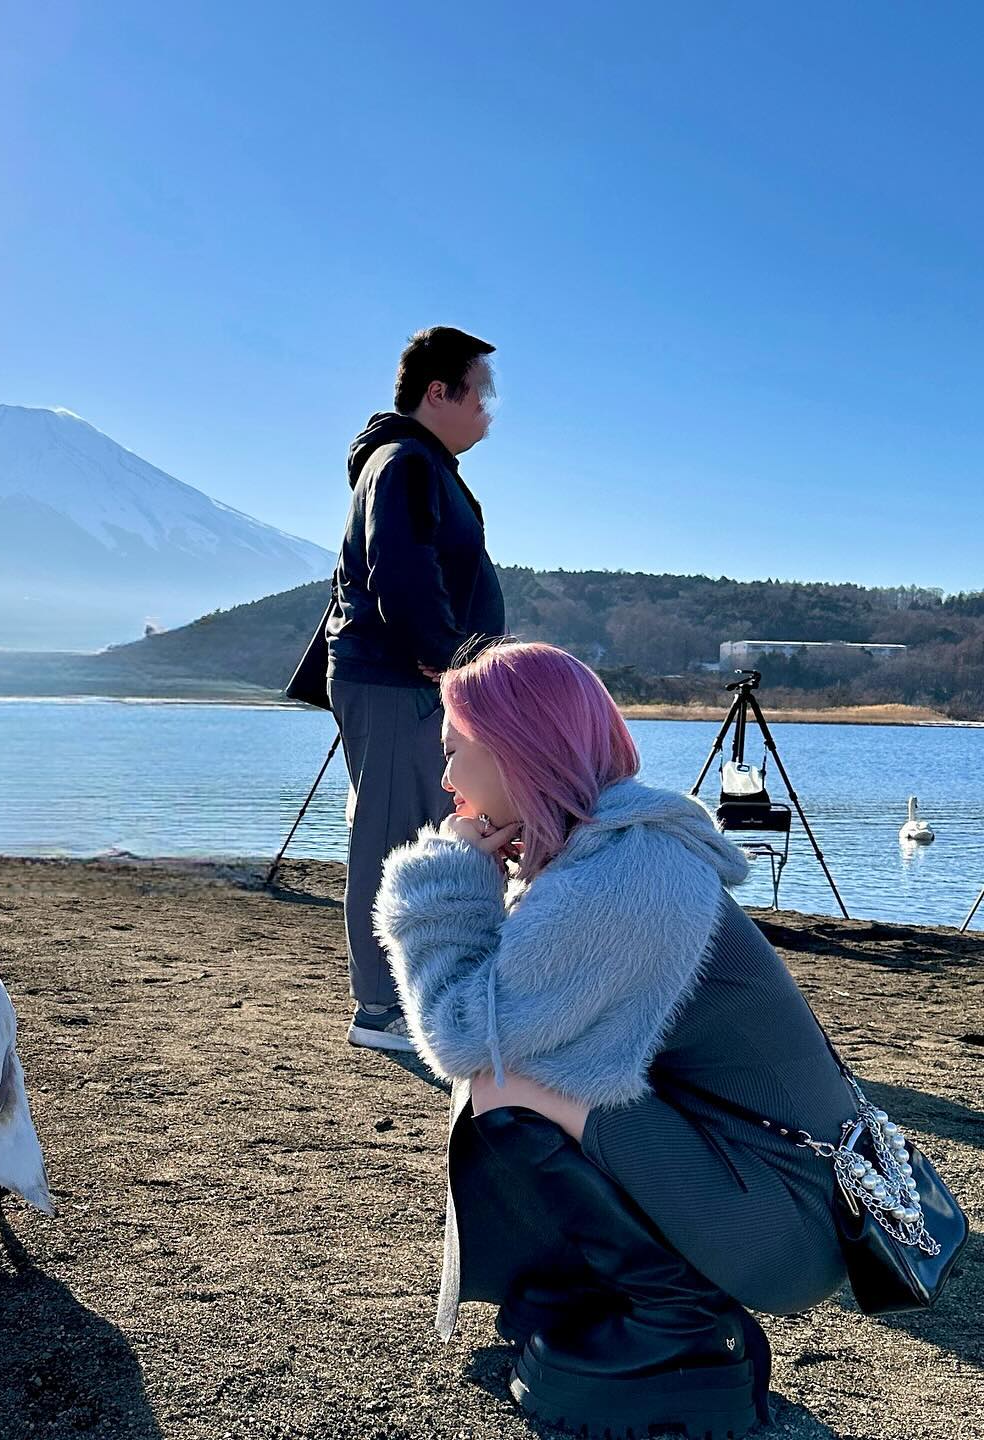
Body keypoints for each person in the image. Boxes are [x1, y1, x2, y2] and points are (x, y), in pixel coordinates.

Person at [373, 640, 854, 1438]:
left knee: (505, 1083)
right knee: (522, 1075)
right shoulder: (611, 847)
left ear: (517, 751)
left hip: (780, 1219)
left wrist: (440, 879)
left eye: (456, 753)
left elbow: (463, 1032)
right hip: (758, 1177)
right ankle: (596, 1306)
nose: (448, 780)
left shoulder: (623, 877)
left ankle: (672, 1327)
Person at [286, 326, 508, 1052]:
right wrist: (448, 658)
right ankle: (380, 1009)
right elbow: (399, 568)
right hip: (392, 677)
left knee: (416, 825)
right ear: (438, 392)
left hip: (404, 676)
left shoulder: (419, 463)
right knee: (387, 832)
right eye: (482, 392)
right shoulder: (404, 461)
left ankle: (414, 994)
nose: (490, 409)